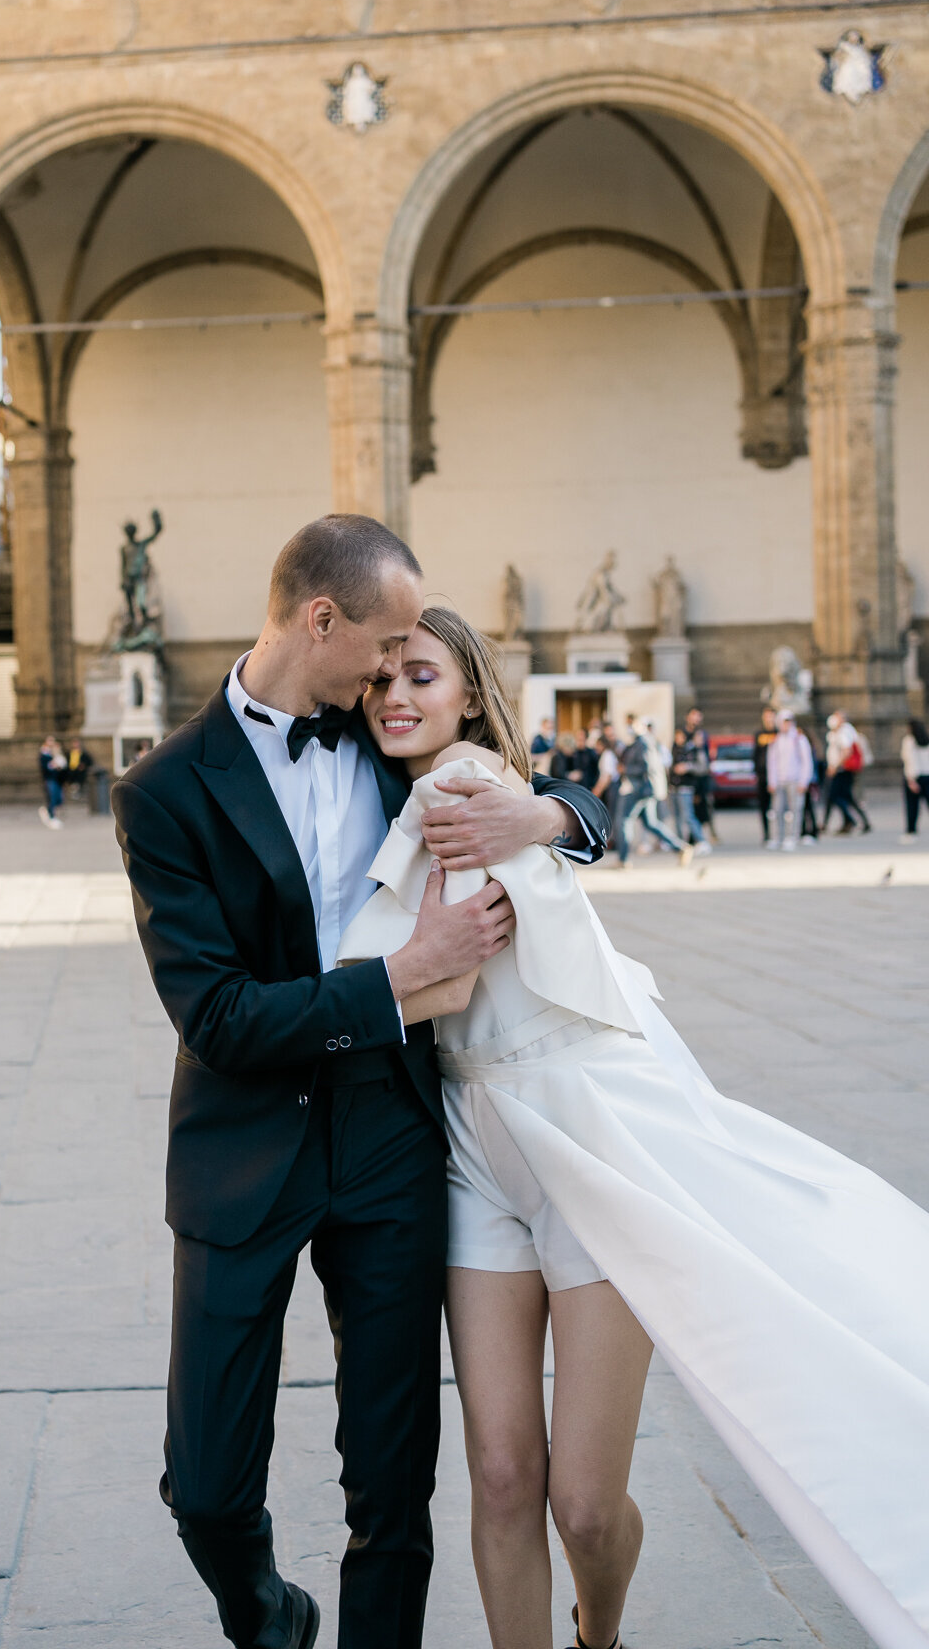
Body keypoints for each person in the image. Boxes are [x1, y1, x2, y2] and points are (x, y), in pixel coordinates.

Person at [339, 605, 929, 1649]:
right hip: (476, 1140)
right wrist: (561, 815)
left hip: (588, 1130)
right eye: (381, 681)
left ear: (471, 693)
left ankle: (598, 1635)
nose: (396, 697)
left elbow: (428, 978)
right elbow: (571, 823)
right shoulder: (415, 791)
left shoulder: (461, 787)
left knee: (583, 1503)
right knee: (502, 1471)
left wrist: (301, 1011)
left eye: (421, 677)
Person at [112, 515, 609, 1649]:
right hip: (243, 1149)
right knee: (208, 1488)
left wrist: (551, 812)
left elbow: (571, 806)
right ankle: (272, 1616)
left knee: (393, 1486)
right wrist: (402, 981)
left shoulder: (397, 747)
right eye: (381, 647)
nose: (394, 672)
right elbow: (221, 1018)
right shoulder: (163, 793)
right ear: (318, 620)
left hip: (393, 1145)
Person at [617, 722, 691, 866]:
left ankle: (623, 859)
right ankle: (681, 847)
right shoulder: (645, 743)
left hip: (639, 790)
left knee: (624, 820)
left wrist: (626, 770)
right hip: (645, 790)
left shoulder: (643, 744)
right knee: (651, 823)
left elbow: (646, 767)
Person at [764, 710, 816, 851]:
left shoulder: (799, 739)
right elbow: (772, 763)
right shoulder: (776, 740)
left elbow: (807, 762)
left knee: (794, 811)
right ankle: (776, 837)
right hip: (780, 780)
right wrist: (771, 781)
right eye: (783, 722)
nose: (786, 725)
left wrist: (804, 781)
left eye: (788, 722)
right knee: (776, 811)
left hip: (795, 780)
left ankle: (791, 837)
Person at [823, 710, 872, 835]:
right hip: (841, 769)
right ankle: (855, 822)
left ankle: (850, 820)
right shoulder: (840, 732)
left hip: (842, 770)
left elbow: (847, 751)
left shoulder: (844, 732)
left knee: (836, 796)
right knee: (846, 797)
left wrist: (835, 766)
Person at [669, 728, 712, 855]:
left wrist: (687, 767)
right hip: (673, 787)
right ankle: (680, 844)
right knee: (676, 817)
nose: (678, 739)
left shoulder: (693, 750)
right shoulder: (674, 750)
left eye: (681, 736)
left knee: (688, 816)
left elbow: (703, 767)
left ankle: (702, 841)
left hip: (686, 787)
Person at [682, 707, 718, 842]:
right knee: (690, 811)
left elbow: (706, 759)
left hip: (701, 779)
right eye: (694, 715)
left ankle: (697, 838)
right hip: (688, 780)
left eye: (699, 716)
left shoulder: (702, 735)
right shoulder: (683, 734)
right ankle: (693, 839)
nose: (696, 719)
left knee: (702, 809)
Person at [900, 717, 929, 841]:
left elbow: (910, 761)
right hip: (927, 776)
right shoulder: (926, 740)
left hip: (915, 776)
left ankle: (911, 831)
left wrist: (911, 780)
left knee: (912, 806)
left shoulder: (909, 740)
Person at [753, 706, 778, 843]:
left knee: (779, 806)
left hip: (778, 776)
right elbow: (756, 755)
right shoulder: (759, 734)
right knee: (764, 807)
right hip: (763, 775)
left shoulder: (779, 733)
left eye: (771, 716)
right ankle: (767, 833)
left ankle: (779, 833)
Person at [39, 735, 67, 829]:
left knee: (59, 798)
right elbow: (46, 767)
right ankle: (51, 816)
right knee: (52, 798)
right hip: (50, 779)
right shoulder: (44, 754)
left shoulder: (54, 752)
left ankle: (49, 813)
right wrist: (53, 765)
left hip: (57, 779)